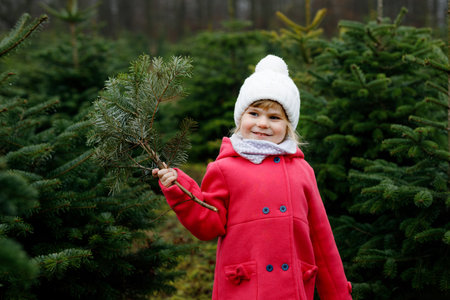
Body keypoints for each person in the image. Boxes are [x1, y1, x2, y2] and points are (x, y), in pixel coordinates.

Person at [152, 55, 352, 300]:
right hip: (244, 288)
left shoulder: (302, 170)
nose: (262, 124)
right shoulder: (224, 168)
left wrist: (339, 294)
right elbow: (208, 224)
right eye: (254, 114)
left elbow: (322, 239)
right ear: (241, 117)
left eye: (274, 117)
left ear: (289, 126)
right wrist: (179, 188)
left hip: (292, 289)